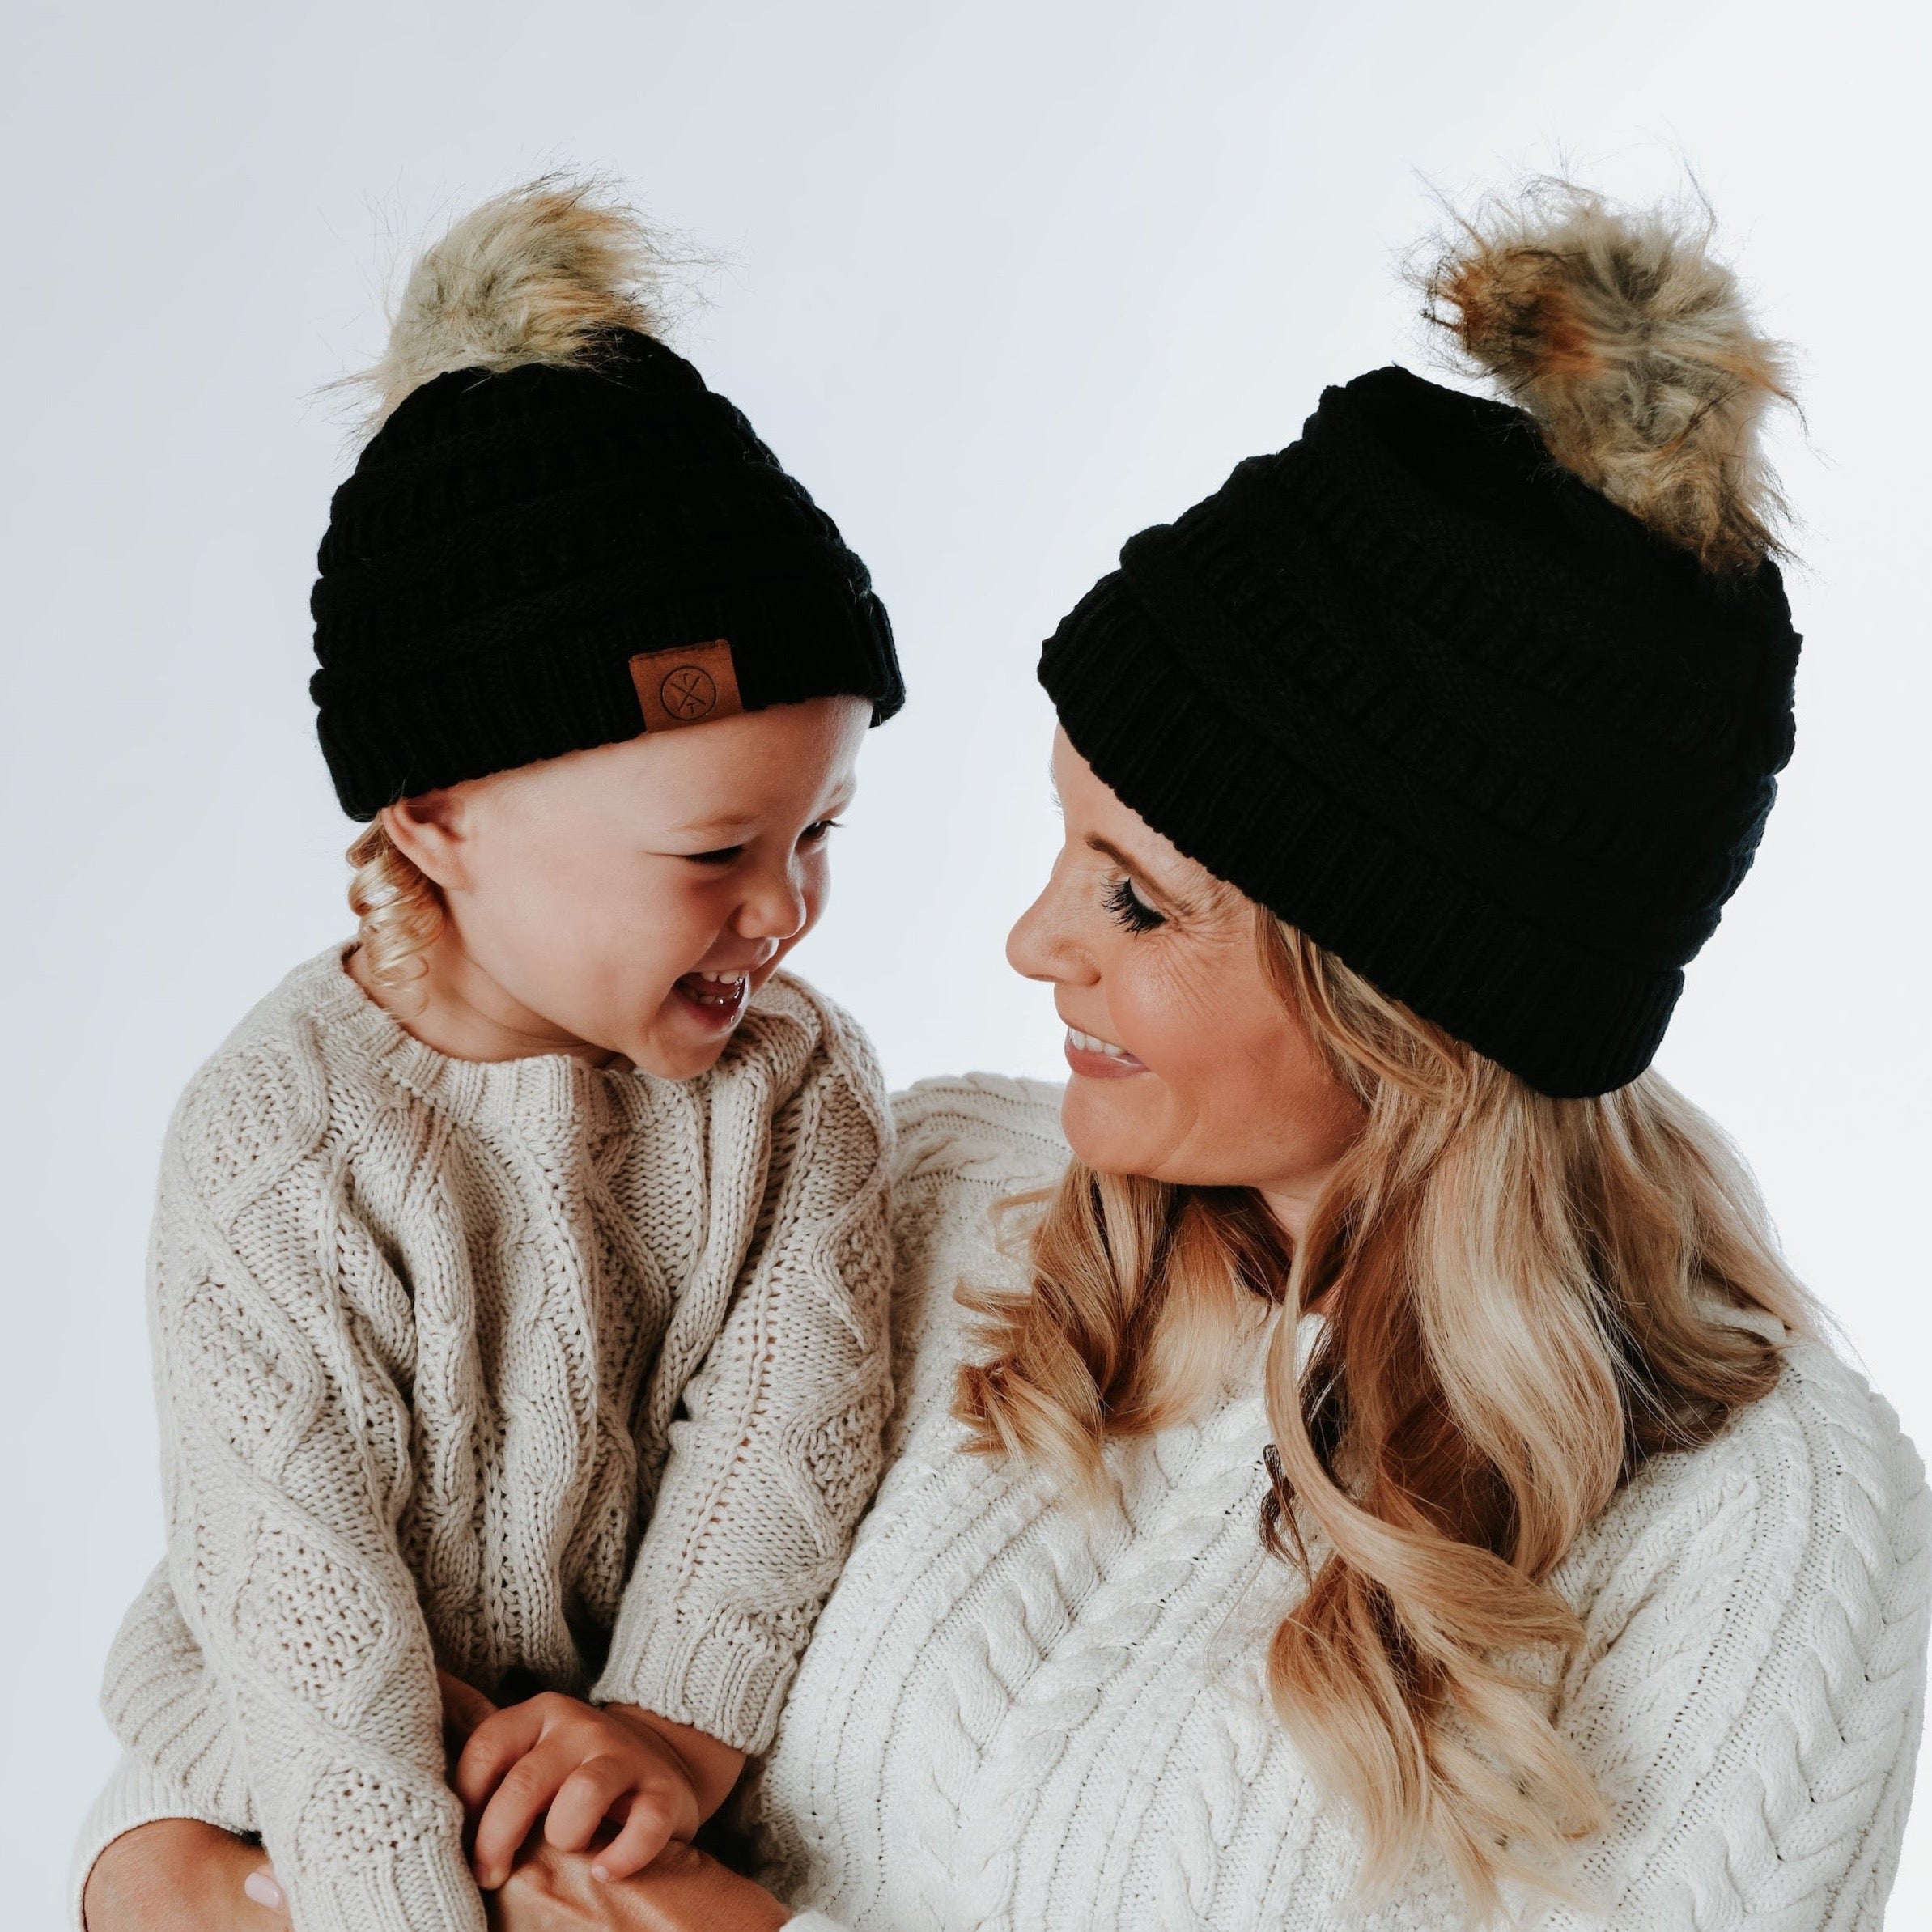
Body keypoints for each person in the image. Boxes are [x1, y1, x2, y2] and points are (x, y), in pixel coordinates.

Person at [83, 182, 1931, 1931]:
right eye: (1064, 847)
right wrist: (184, 1878)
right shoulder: (936, 1190)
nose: (1029, 943)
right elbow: (290, 1686)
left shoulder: (1763, 1546)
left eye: (1135, 900)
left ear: (1409, 999)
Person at [74, 179, 906, 1932]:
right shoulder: (281, 1149)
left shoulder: (797, 1089)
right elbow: (307, 1629)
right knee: (172, 1885)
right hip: (297, 1735)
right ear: (438, 815)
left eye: (821, 829)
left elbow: (781, 1447)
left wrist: (666, 1739)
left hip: (622, 1747)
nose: (786, 909)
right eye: (715, 852)